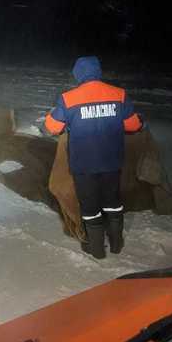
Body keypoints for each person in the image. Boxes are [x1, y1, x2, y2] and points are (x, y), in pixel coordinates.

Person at [44, 56, 142, 259]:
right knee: (113, 202)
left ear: (77, 74)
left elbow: (52, 128)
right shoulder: (119, 94)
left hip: (84, 165)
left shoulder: (69, 98)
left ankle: (96, 249)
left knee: (89, 206)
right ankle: (117, 244)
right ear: (98, 71)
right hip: (112, 162)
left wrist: (49, 116)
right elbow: (133, 126)